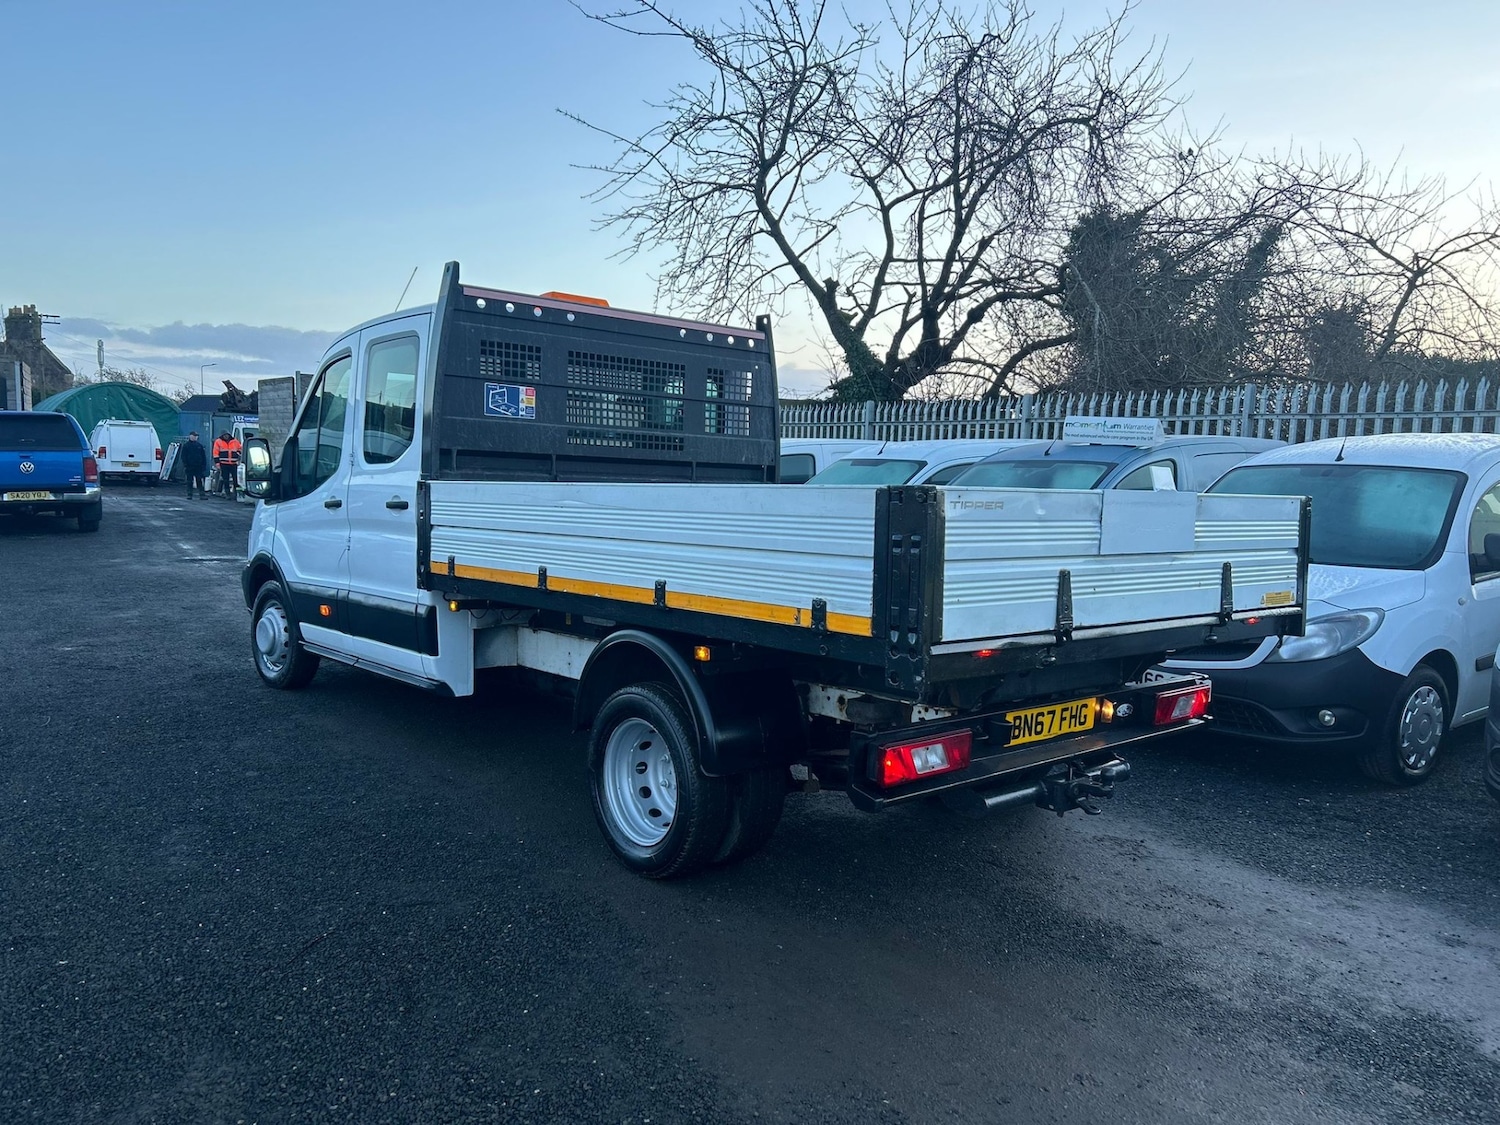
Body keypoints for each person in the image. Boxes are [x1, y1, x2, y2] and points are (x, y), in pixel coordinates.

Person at [180, 431, 209, 499]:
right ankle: (189, 494)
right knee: (189, 481)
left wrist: (203, 465)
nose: (195, 437)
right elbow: (183, 456)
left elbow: (203, 456)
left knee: (199, 480)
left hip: (198, 467)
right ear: (190, 436)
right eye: (194, 436)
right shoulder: (186, 446)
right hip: (189, 466)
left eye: (196, 436)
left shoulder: (199, 446)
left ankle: (202, 494)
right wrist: (185, 464)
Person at [213, 432, 239, 498]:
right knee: (225, 479)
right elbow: (215, 453)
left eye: (227, 435)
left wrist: (238, 455)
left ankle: (237, 493)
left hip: (233, 463)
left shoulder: (235, 441)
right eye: (225, 435)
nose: (226, 436)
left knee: (236, 479)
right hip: (224, 464)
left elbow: (240, 449)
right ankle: (228, 494)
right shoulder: (218, 441)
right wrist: (217, 463)